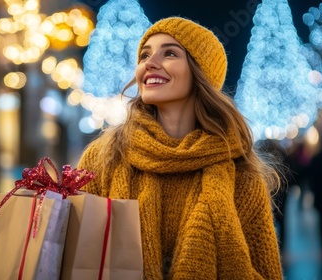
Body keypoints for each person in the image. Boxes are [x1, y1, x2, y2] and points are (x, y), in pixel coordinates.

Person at [77, 17, 283, 279]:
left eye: (170, 53)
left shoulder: (242, 176)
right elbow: (77, 253)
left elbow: (267, 271)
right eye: (144, 55)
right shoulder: (104, 158)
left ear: (201, 74)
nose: (149, 63)